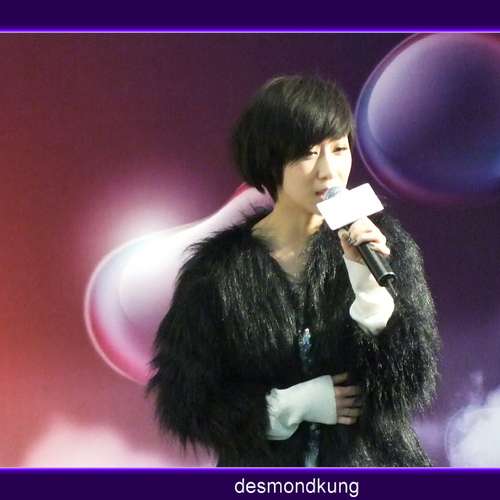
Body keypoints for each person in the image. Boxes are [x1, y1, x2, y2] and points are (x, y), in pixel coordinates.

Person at [147, 75, 440, 467]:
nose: (329, 171)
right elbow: (185, 401)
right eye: (308, 153)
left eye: (339, 149)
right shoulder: (217, 272)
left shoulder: (386, 244)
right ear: (270, 160)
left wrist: (370, 290)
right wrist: (284, 408)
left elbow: (408, 384)